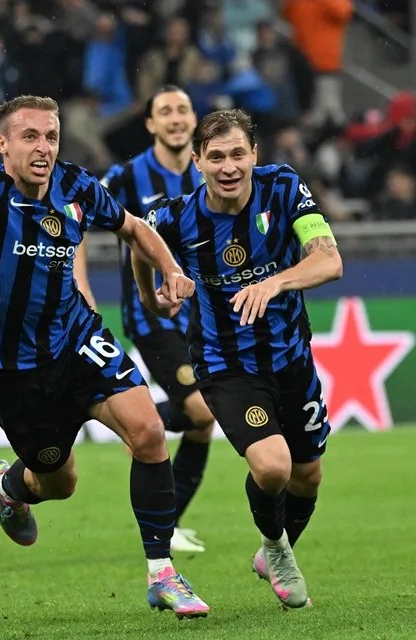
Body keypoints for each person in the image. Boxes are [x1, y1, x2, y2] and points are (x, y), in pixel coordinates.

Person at [0, 21, 209, 618]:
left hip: (77, 338)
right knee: (58, 482)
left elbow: (136, 228)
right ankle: (12, 486)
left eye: (51, 135)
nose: (43, 147)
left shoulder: (75, 186)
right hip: (14, 369)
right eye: (30, 137)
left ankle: (162, 573)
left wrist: (170, 271)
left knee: (147, 433)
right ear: (4, 144)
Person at [133, 108, 342, 609]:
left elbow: (328, 258)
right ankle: (276, 548)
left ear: (255, 155)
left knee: (307, 475)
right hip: (227, 365)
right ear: (199, 162)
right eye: (216, 156)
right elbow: (139, 239)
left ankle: (274, 549)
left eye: (237, 154)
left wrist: (274, 282)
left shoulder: (285, 189)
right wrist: (150, 294)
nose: (229, 166)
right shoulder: (177, 215)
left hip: (291, 356)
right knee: (273, 467)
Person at [73, 85, 215, 554]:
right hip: (152, 317)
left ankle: (168, 524)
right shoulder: (128, 176)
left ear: (193, 121)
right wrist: (83, 289)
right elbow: (76, 219)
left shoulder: (211, 173)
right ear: (151, 124)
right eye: (164, 112)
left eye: (182, 109)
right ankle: (139, 419)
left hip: (203, 317)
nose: (175, 118)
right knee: (199, 409)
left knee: (201, 423)